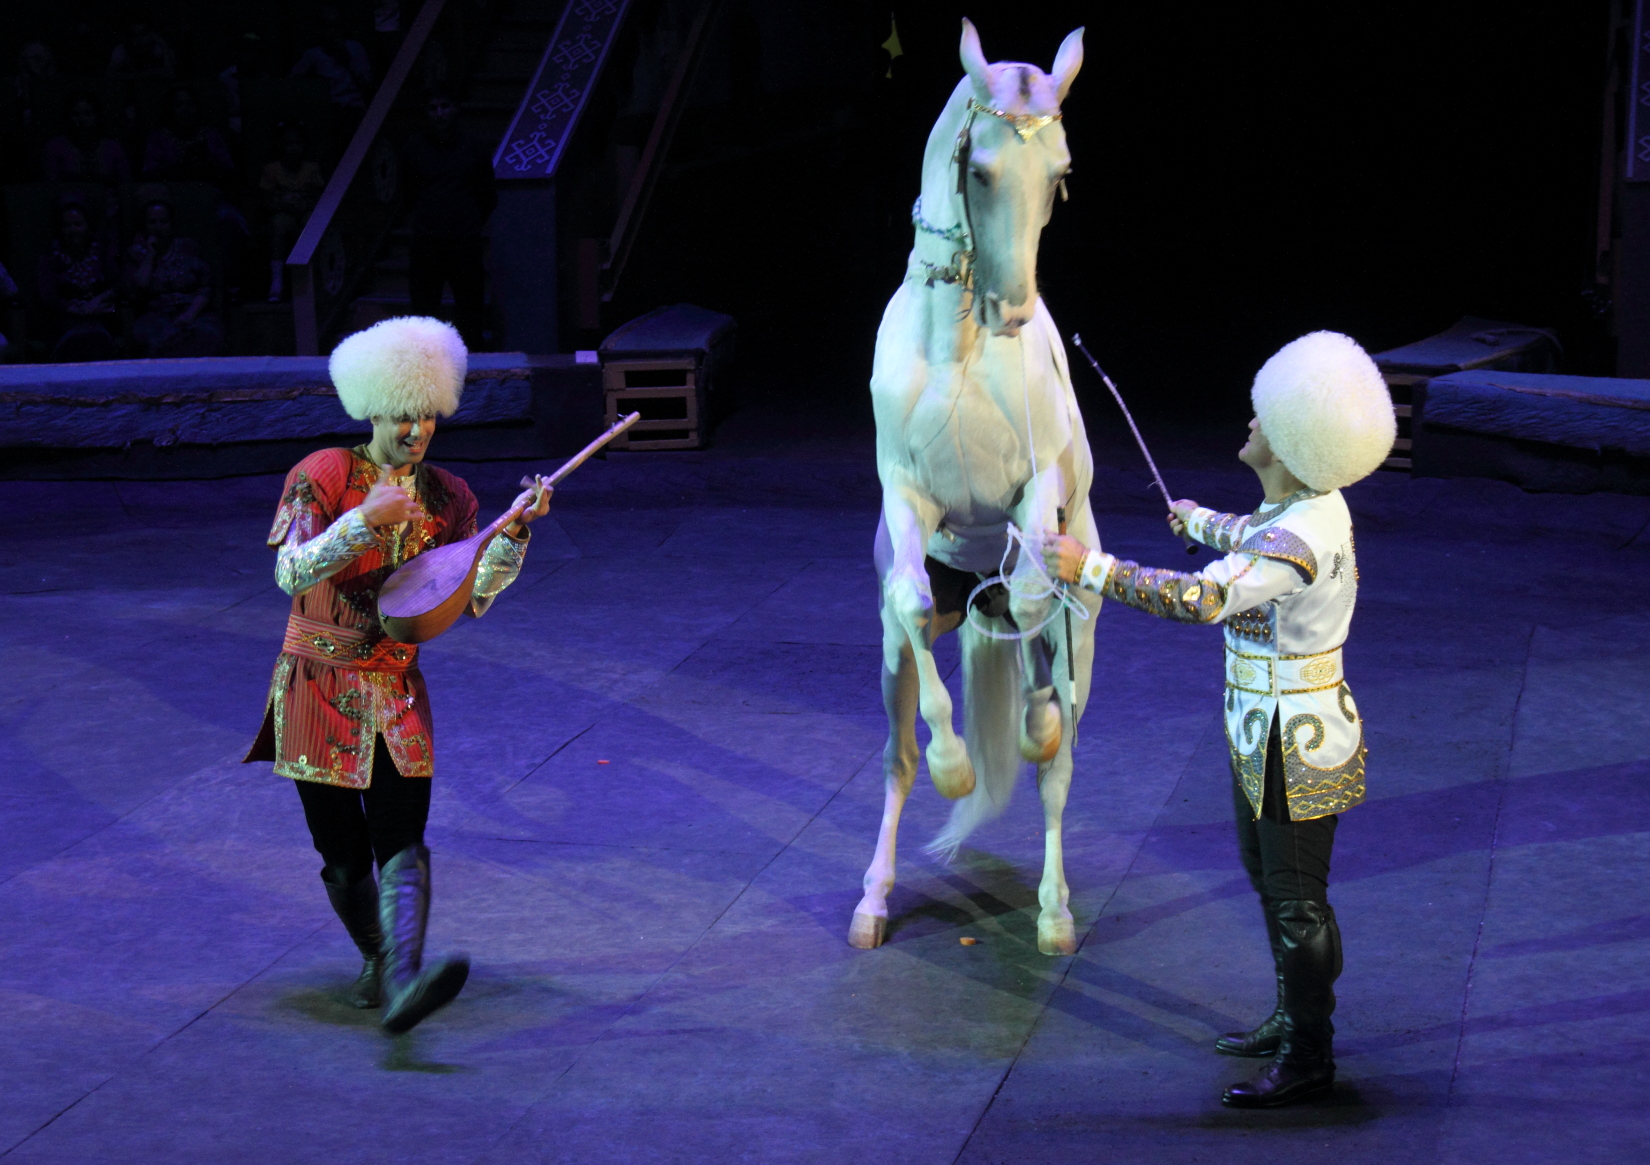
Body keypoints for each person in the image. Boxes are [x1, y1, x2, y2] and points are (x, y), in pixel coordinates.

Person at [1041, 331, 1396, 1109]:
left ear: (1299, 441)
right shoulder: (1309, 506)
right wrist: (1203, 521)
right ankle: (1293, 1013)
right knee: (1272, 883)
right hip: (1266, 728)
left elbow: (1200, 599)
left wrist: (1089, 567)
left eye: (1264, 418)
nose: (1251, 424)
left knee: (1298, 900)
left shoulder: (1296, 535)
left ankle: (1309, 1051)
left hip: (1290, 739)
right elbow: (1259, 536)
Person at [244, 316, 554, 1034]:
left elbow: (471, 596)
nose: (415, 429)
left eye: (427, 415)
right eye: (401, 414)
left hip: (397, 688)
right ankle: (383, 961)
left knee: (402, 838)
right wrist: (361, 521)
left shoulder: (451, 498)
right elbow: (288, 571)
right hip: (318, 684)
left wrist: (511, 533)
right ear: (370, 408)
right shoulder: (322, 473)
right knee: (343, 853)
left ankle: (405, 979)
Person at [401, 89, 497, 349]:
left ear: (455, 109)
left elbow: (488, 194)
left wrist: (469, 220)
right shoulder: (414, 148)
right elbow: (406, 194)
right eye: (433, 107)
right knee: (424, 313)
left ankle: (471, 369)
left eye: (445, 106)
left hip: (463, 241)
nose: (439, 113)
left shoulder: (474, 147)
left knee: (469, 312)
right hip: (427, 241)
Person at [124, 199, 223, 357]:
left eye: (164, 221)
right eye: (152, 222)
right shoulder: (137, 254)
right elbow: (139, 286)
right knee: (158, 340)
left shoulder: (188, 247)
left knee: (206, 335)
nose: (158, 227)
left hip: (192, 313)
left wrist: (190, 314)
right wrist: (151, 255)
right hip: (156, 317)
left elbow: (205, 287)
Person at [37, 200, 119, 362]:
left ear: (88, 226)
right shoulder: (49, 257)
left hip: (98, 317)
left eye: (78, 224)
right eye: (67, 225)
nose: (73, 230)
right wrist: (77, 309)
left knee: (96, 336)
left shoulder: (101, 252)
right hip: (63, 320)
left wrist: (97, 300)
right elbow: (48, 297)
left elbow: (118, 284)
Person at [259, 122, 327, 301]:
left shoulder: (311, 169)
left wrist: (305, 204)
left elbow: (320, 197)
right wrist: (284, 205)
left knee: (311, 225)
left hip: (306, 213)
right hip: (283, 213)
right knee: (278, 225)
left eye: (297, 143)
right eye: (289, 144)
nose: (293, 148)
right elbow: (266, 201)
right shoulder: (271, 170)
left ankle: (312, 284)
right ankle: (277, 283)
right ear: (280, 146)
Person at [289, 6, 375, 145]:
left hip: (355, 109)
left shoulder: (355, 48)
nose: (333, 32)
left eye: (336, 26)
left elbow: (368, 85)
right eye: (328, 26)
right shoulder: (313, 55)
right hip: (329, 111)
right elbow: (292, 81)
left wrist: (348, 60)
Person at [43, 92, 132, 188]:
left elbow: (126, 186)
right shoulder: (55, 147)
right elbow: (50, 187)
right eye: (76, 114)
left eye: (88, 114)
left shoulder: (114, 148)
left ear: (98, 117)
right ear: (68, 117)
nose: (82, 120)